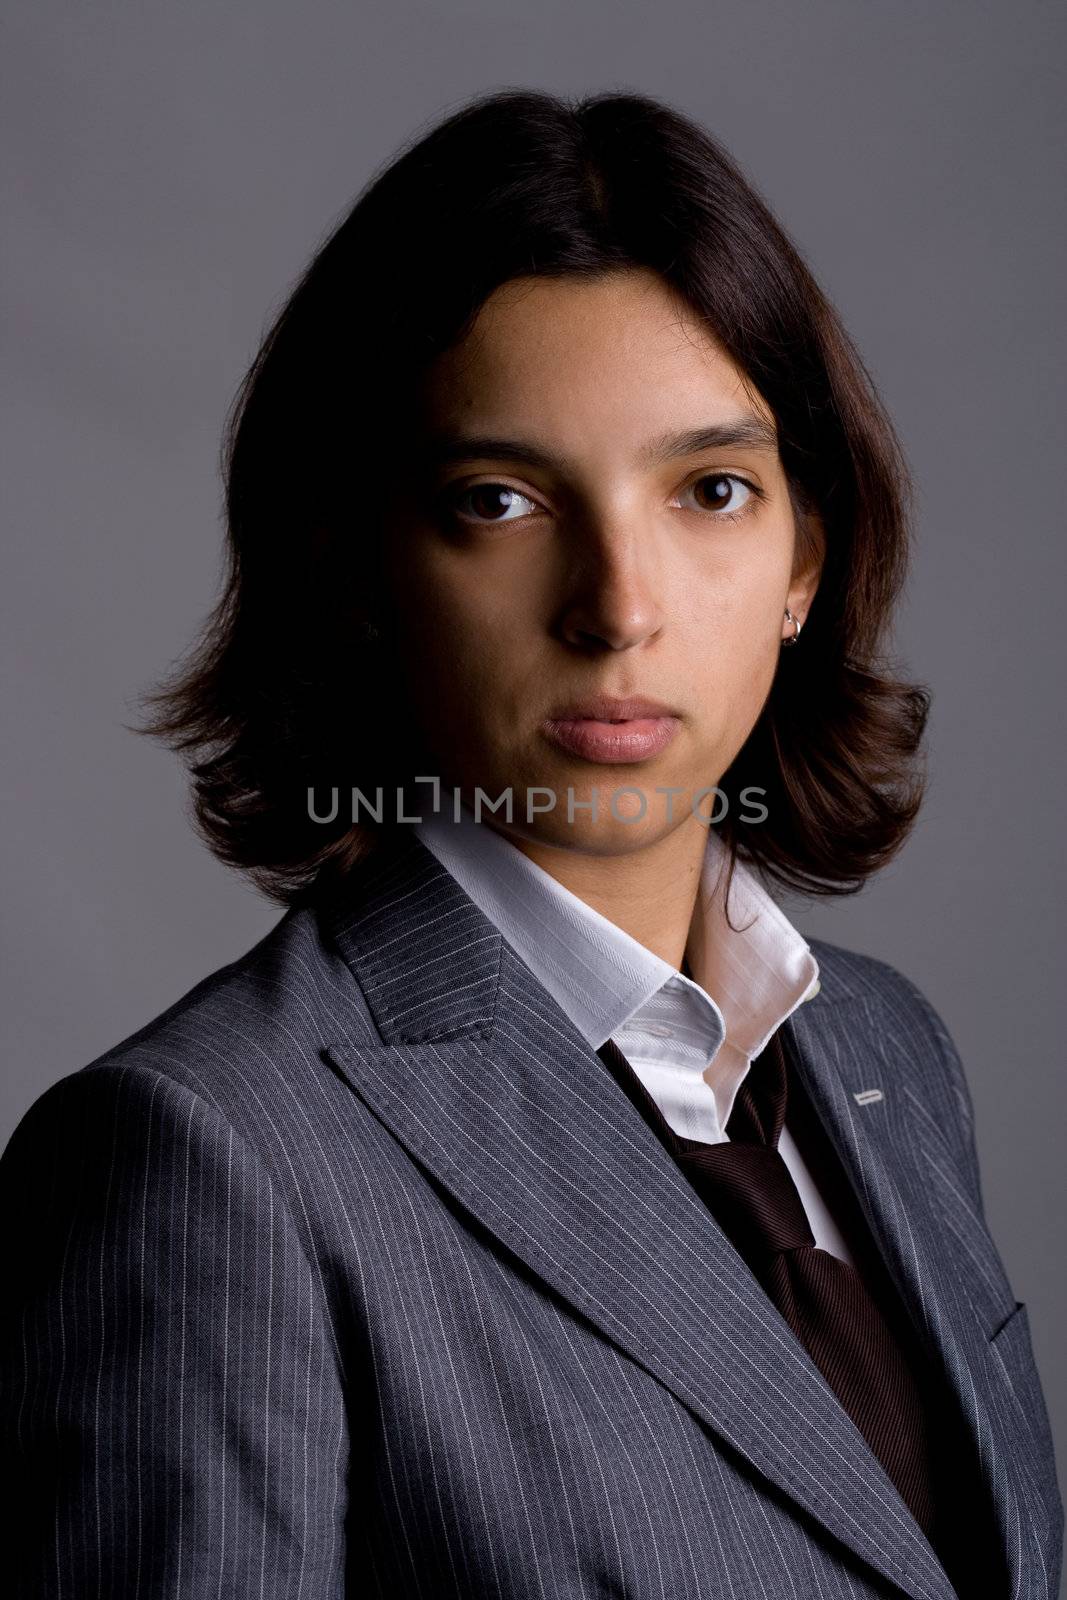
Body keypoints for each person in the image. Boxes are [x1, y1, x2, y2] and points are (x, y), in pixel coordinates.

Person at [0, 87, 1060, 1599]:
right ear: (354, 563)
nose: (618, 604)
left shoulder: (895, 1055)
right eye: (497, 501)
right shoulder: (210, 1159)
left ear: (804, 561)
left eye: (711, 491)